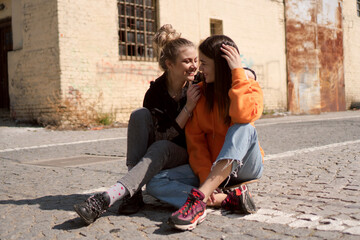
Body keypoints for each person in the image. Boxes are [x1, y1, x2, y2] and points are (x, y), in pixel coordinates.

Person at [72, 24, 201, 225]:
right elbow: (162, 136)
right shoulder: (155, 92)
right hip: (160, 149)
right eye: (187, 61)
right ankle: (133, 194)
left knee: (162, 147)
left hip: (189, 153)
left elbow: (234, 75)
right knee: (139, 115)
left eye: (196, 60)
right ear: (170, 64)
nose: (194, 66)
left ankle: (106, 198)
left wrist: (191, 104)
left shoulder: (199, 84)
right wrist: (188, 109)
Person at [165, 35, 265, 231]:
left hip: (245, 167)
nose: (199, 68)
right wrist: (204, 176)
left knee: (243, 127)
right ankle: (226, 199)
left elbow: (243, 115)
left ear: (221, 65)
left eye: (204, 63)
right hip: (213, 172)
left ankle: (199, 200)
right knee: (156, 182)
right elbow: (195, 143)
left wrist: (237, 73)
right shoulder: (200, 94)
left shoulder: (248, 86)